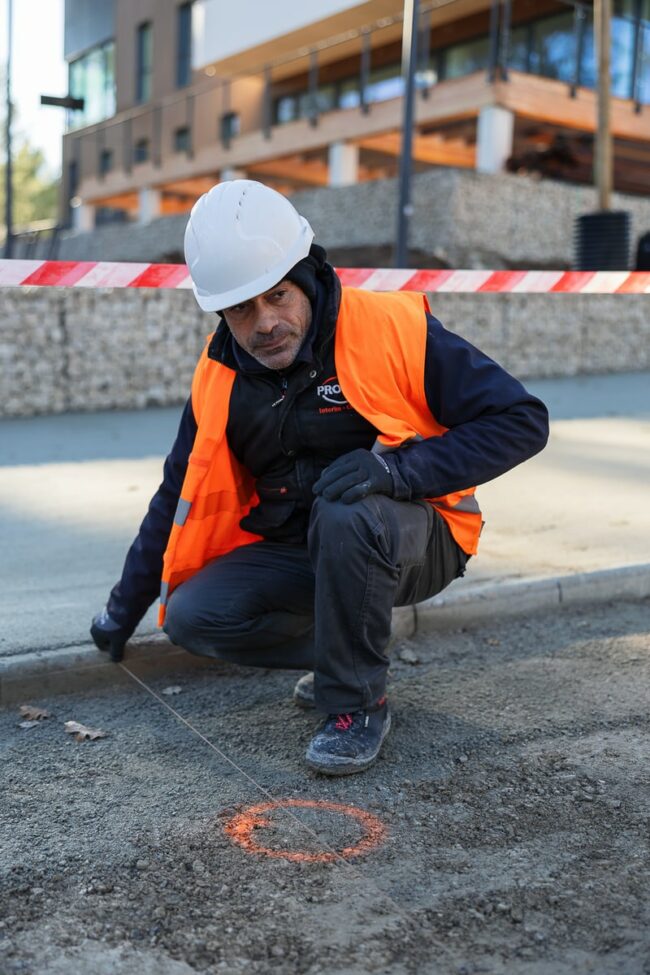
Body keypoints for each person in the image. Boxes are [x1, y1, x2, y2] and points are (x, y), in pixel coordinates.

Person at [91, 179, 549, 776]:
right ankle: (350, 656)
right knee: (193, 615)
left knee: (347, 510)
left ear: (305, 275)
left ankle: (356, 705)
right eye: (241, 309)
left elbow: (522, 420)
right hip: (301, 551)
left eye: (278, 296)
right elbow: (176, 493)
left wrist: (394, 469)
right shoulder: (220, 376)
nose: (265, 323)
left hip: (417, 538)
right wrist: (121, 610)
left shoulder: (389, 328)